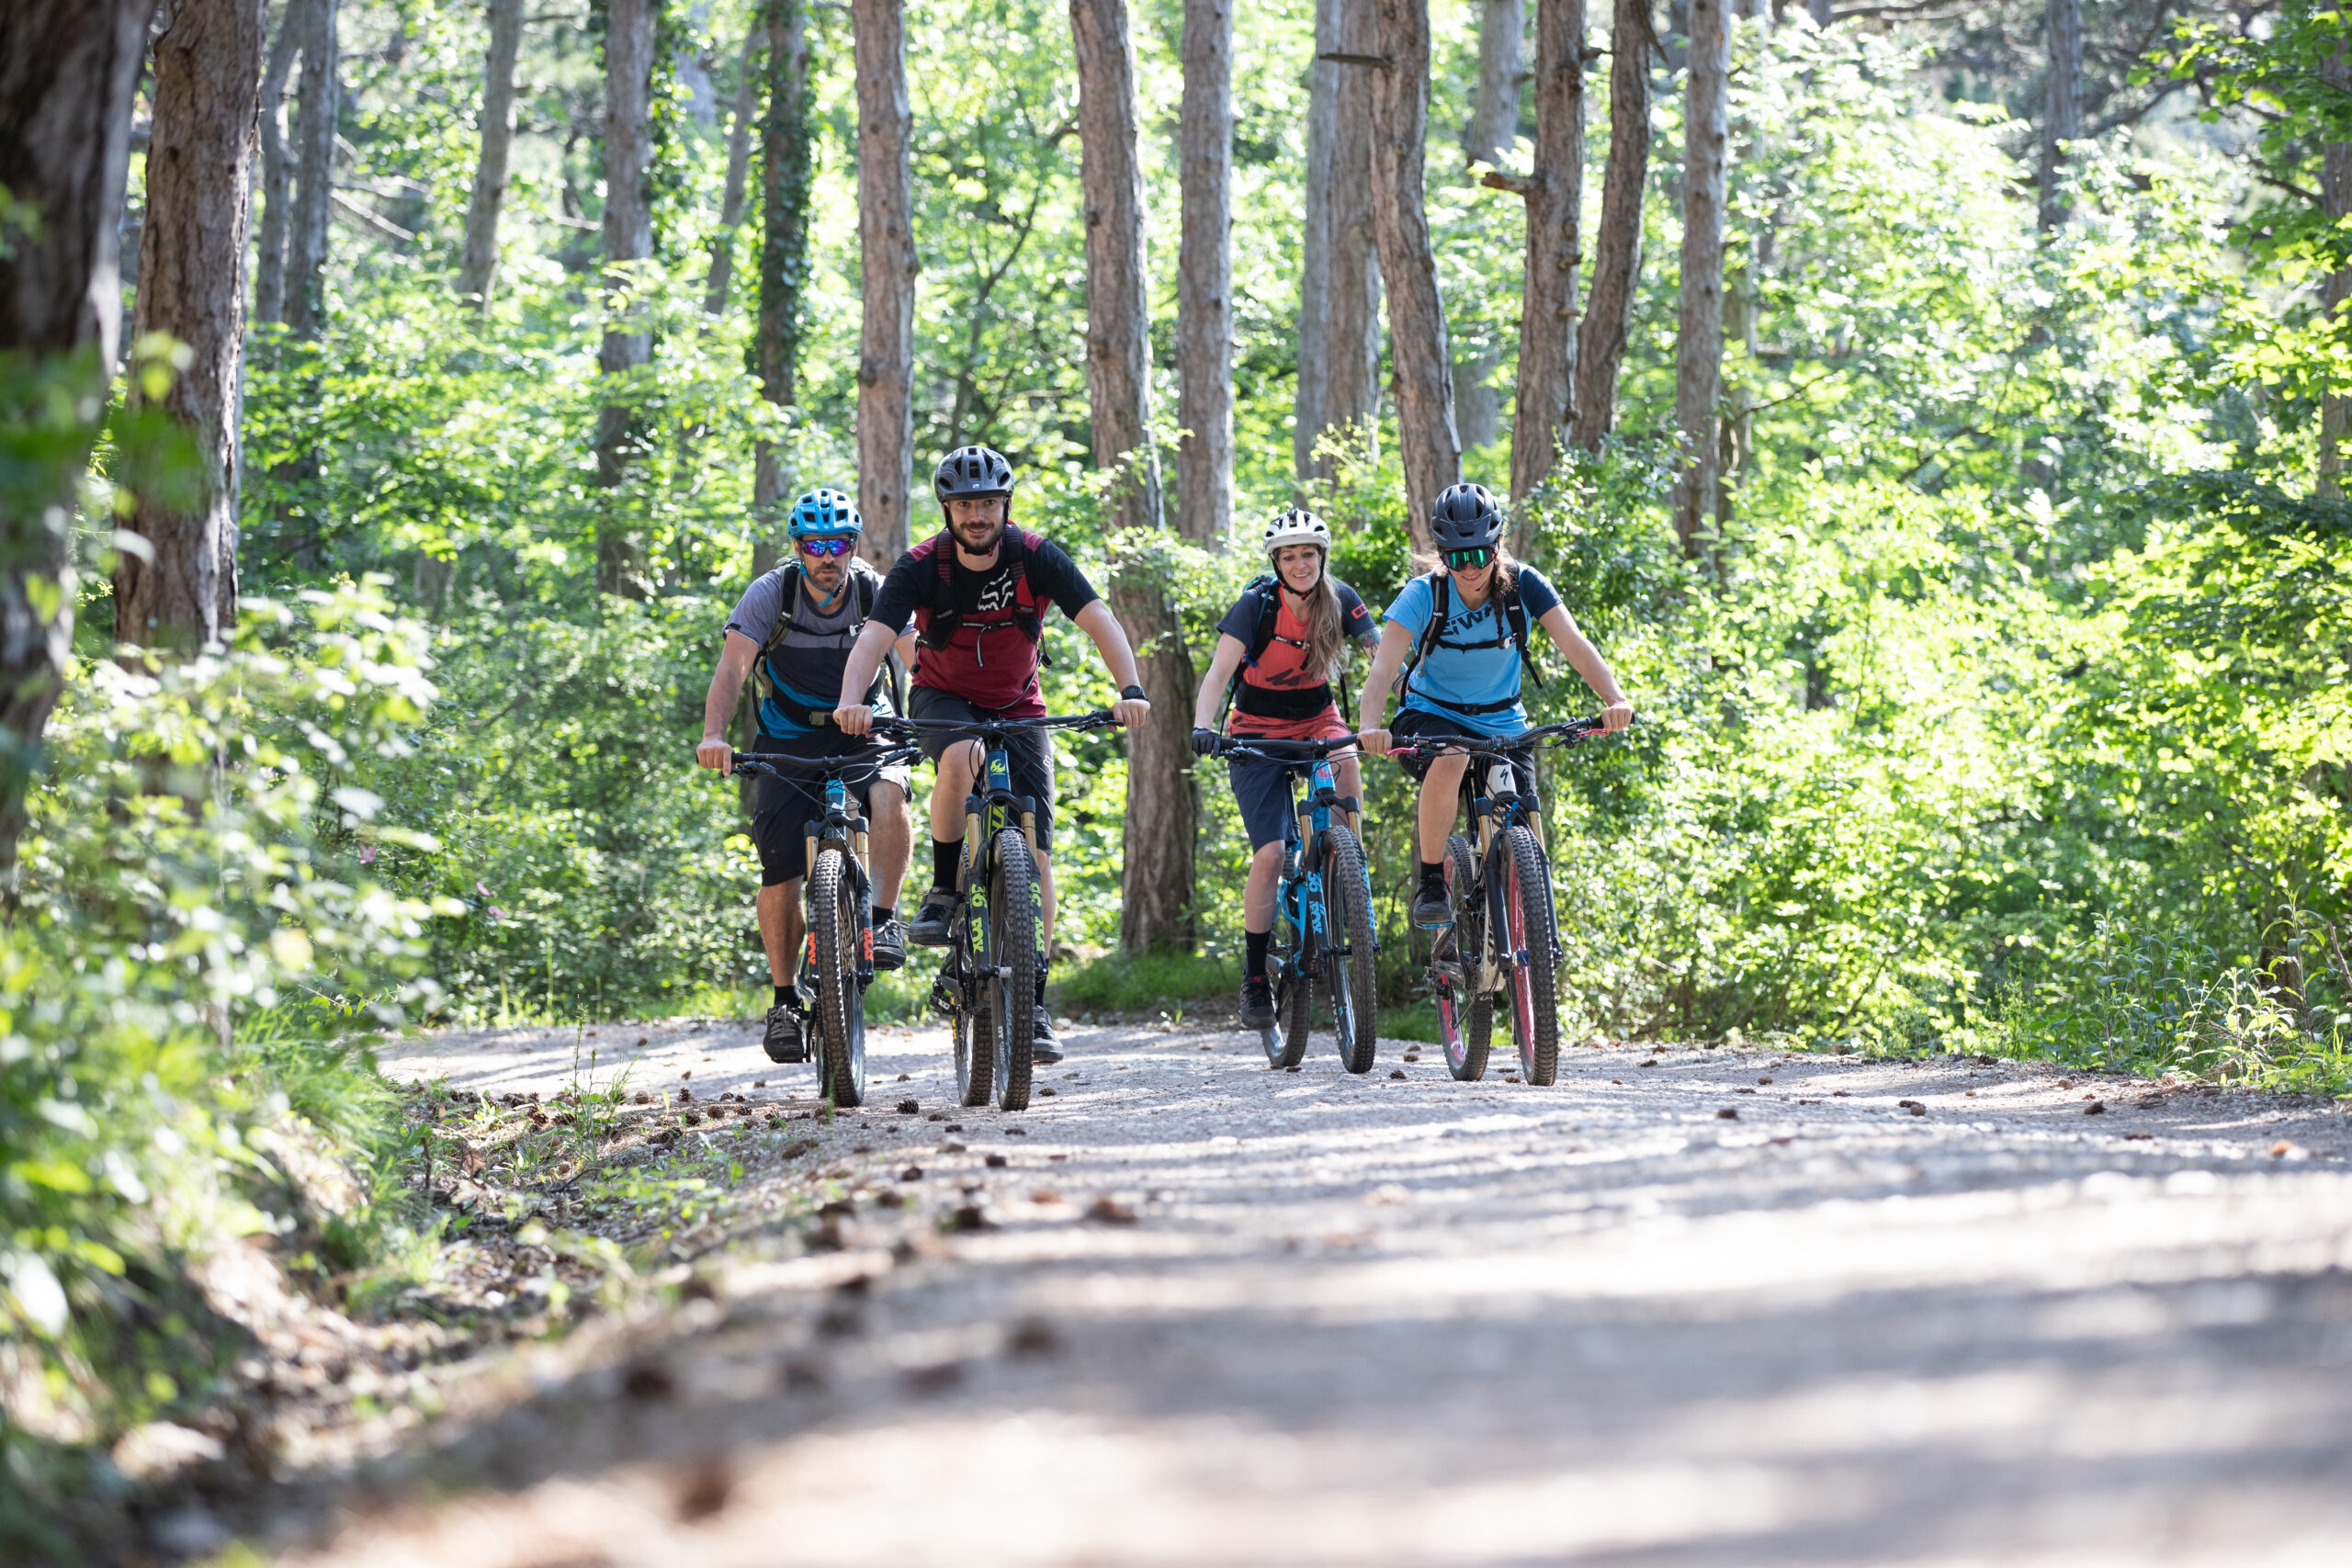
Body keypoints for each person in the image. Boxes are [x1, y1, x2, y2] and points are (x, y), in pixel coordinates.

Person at [832, 445, 1153, 1063]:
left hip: (1020, 704)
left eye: (988, 503)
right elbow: (874, 637)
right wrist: (853, 700)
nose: (977, 515)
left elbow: (1099, 619)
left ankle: (1033, 1002)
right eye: (965, 505)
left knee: (1035, 854)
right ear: (947, 510)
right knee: (961, 758)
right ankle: (943, 889)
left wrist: (1130, 689)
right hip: (942, 697)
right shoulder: (921, 565)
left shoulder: (1035, 556)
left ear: (1005, 505)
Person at [695, 488, 917, 1064]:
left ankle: (885, 920)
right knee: (780, 869)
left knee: (890, 794)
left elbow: (920, 660)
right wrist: (715, 736)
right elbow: (733, 669)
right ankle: (786, 999)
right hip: (787, 734)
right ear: (798, 548)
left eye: (839, 544)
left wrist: (937, 718)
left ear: (853, 546)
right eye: (816, 545)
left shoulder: (875, 591)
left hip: (866, 723)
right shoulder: (772, 593)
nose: (828, 556)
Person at [1357, 482, 1635, 928]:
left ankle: (1529, 924)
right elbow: (1383, 668)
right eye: (1456, 556)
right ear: (1442, 554)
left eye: (1480, 554)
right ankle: (1432, 882)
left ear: (1498, 545)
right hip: (1432, 716)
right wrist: (1371, 725)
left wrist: (1615, 699)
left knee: (1523, 818)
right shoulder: (1423, 594)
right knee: (1452, 757)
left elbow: (1574, 645)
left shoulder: (1525, 585)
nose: (1469, 568)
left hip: (1503, 722)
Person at [1188, 509, 1379, 1030]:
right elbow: (1219, 672)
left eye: (1308, 554)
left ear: (1323, 557)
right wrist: (1205, 725)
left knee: (1346, 758)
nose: (1300, 564)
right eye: (1289, 556)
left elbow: (1381, 656)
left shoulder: (1341, 600)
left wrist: (1402, 701)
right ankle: (1254, 979)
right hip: (1256, 729)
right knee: (1271, 853)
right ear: (1276, 562)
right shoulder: (1257, 604)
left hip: (1319, 719)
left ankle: (1348, 878)